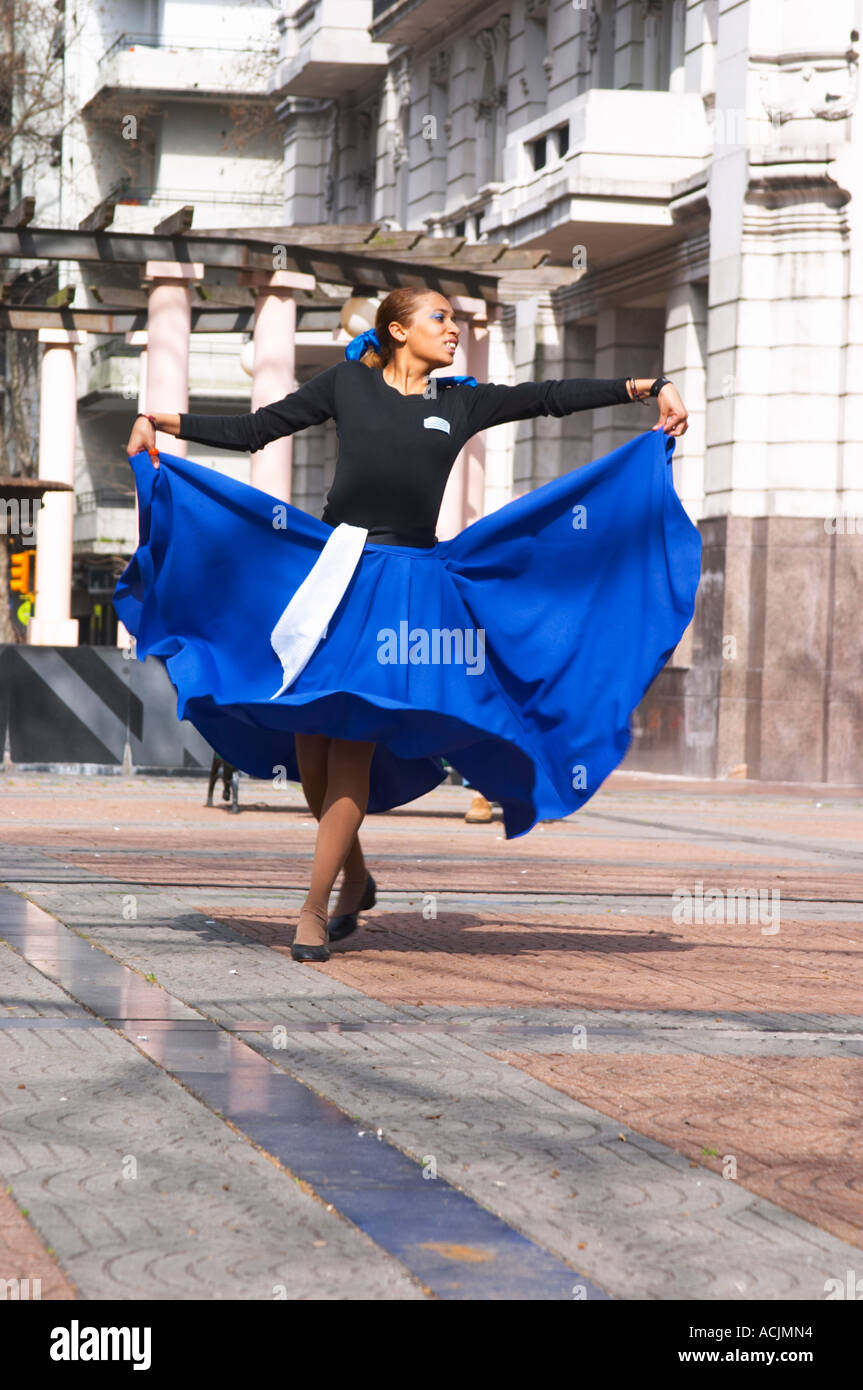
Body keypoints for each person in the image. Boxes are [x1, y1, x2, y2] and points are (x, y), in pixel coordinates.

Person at [121, 287, 698, 964]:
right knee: (311, 754)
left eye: (452, 320)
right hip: (333, 580)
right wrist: (159, 421)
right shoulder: (346, 385)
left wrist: (647, 387)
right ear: (396, 330)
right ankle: (356, 877)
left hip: (405, 592)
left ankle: (310, 911)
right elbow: (256, 431)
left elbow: (547, 395)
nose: (451, 331)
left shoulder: (460, 401)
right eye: (438, 319)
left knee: (353, 743)